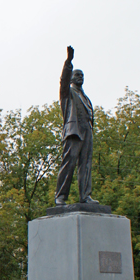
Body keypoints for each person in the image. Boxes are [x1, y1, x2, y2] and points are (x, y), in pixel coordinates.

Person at [55, 46, 96, 205]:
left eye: (82, 75)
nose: (80, 77)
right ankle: (61, 196)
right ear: (71, 77)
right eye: (77, 75)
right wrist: (68, 62)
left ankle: (85, 196)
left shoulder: (85, 97)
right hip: (74, 132)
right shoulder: (67, 93)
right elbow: (63, 81)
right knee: (69, 163)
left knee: (86, 165)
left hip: (87, 131)